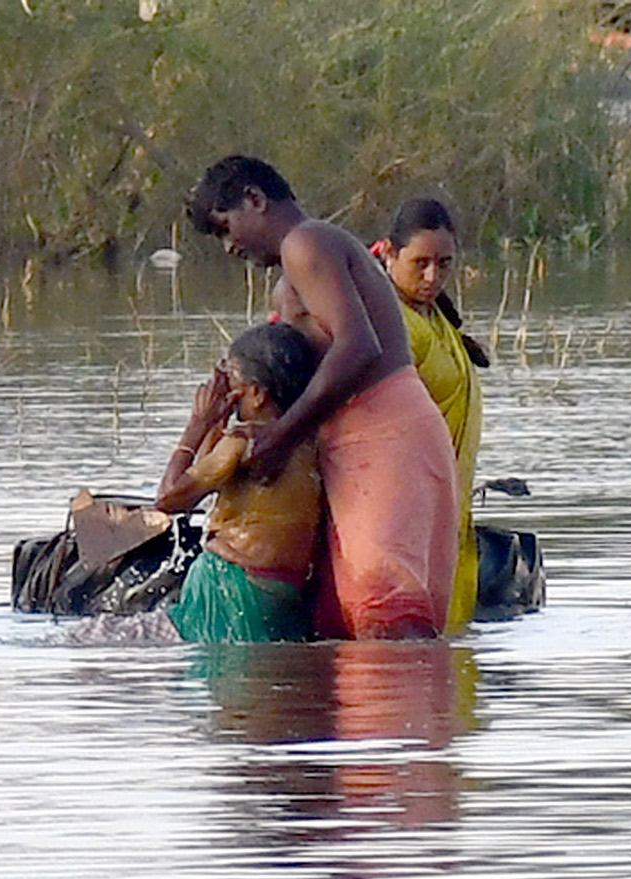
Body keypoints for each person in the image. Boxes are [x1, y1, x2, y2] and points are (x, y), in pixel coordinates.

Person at [186, 155, 459, 640]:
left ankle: (403, 717)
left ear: (255, 200)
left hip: (384, 436)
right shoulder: (300, 265)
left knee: (386, 614)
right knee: (359, 618)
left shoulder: (305, 243)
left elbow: (358, 347)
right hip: (379, 437)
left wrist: (281, 436)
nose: (229, 247)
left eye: (226, 228)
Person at [70, 323, 322, 644]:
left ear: (257, 395)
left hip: (232, 594)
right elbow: (210, 476)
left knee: (87, 637)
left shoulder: (244, 442)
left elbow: (170, 499)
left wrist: (197, 424)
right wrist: (217, 423)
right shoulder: (309, 442)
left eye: (234, 384)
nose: (227, 393)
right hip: (280, 596)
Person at [373, 198, 487, 633]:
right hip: (408, 524)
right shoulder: (390, 324)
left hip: (450, 518)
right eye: (420, 263)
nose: (432, 277)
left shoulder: (436, 317)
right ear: (388, 254)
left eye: (444, 263)